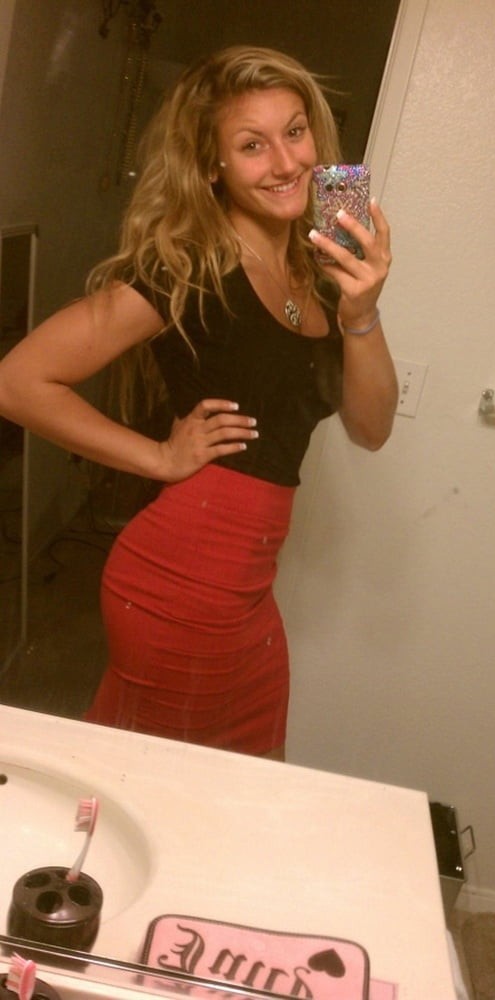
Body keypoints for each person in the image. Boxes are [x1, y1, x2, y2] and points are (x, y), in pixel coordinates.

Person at [0, 46, 397, 760]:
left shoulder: (323, 275)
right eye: (252, 145)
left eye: (295, 132)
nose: (286, 162)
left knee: (229, 778)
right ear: (213, 166)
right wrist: (157, 455)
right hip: (182, 583)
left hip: (247, 589)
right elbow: (18, 380)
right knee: (164, 783)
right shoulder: (187, 270)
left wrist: (362, 311)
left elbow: (372, 428)